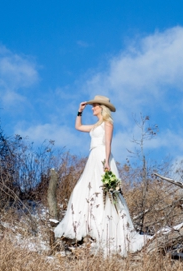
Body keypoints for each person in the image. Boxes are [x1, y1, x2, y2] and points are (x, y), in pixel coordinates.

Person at [53, 95, 147, 255]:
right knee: (83, 190)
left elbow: (108, 143)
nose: (92, 108)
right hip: (93, 157)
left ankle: (107, 229)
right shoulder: (96, 125)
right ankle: (87, 226)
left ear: (101, 108)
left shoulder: (107, 123)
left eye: (94, 106)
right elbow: (78, 127)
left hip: (102, 157)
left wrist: (107, 163)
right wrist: (79, 111)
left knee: (105, 193)